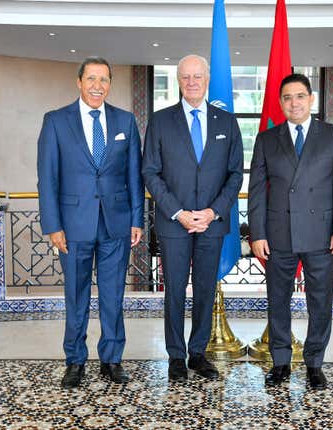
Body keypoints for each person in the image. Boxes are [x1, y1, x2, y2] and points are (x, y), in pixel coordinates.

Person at [37, 56, 144, 389]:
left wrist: (137, 219)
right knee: (76, 295)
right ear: (79, 82)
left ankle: (112, 359)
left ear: (110, 84)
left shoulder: (125, 122)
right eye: (92, 79)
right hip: (72, 226)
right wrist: (53, 225)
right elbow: (47, 177)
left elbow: (134, 176)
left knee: (113, 296)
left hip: (116, 224)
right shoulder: (55, 121)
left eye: (104, 80)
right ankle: (75, 360)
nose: (98, 86)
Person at [248, 73, 333, 389]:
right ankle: (280, 362)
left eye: (299, 96)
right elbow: (255, 190)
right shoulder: (267, 139)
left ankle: (314, 363)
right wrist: (257, 233)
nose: (294, 102)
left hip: (321, 235)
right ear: (280, 102)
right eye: (287, 97)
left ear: (311, 99)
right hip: (278, 234)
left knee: (319, 301)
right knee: (277, 299)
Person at [142, 54, 243, 382]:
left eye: (197, 76)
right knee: (173, 289)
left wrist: (213, 211)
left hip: (212, 224)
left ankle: (197, 353)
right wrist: (179, 212)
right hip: (174, 223)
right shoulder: (160, 121)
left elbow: (234, 174)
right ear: (178, 81)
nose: (192, 82)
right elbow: (151, 172)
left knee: (204, 289)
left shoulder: (227, 122)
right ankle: (175, 355)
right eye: (186, 77)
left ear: (207, 79)